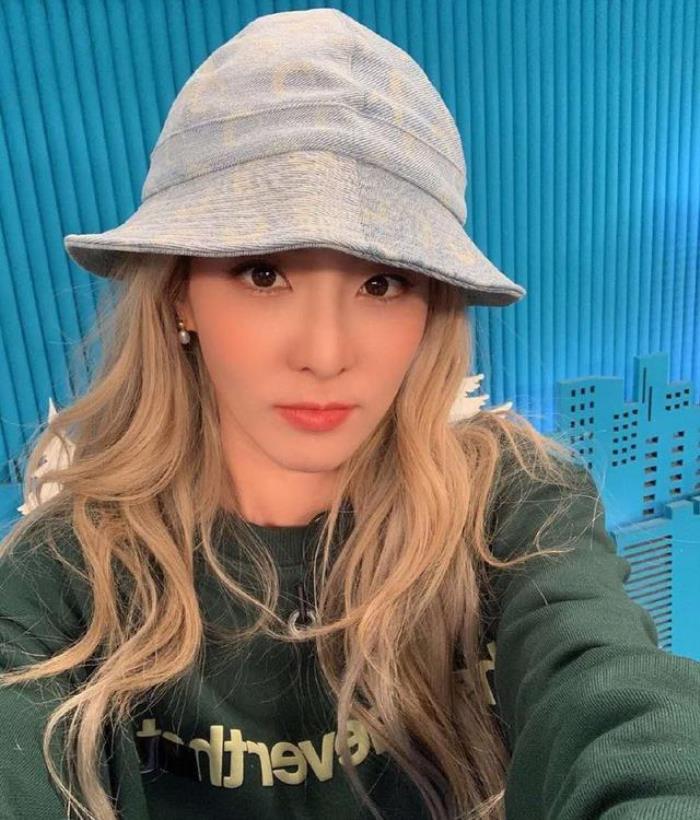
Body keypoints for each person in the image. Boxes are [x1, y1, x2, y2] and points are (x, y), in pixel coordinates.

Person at [1, 8, 699, 820]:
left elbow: (605, 687)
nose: (327, 354)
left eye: (382, 283)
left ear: (432, 310)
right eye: (263, 273)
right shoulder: (70, 573)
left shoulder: (512, 504)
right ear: (181, 296)